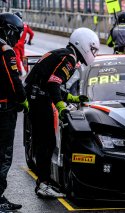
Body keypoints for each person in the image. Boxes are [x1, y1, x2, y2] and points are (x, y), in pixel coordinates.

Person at [24, 27, 100, 198]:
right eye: (92, 48)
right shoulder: (69, 58)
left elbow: (52, 84)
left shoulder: (64, 54)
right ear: (83, 44)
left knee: (44, 143)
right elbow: (53, 83)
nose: (93, 52)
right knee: (47, 142)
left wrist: (73, 99)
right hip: (39, 100)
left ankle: (43, 183)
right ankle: (43, 185)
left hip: (36, 97)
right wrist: (61, 107)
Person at [0, 12, 29, 212]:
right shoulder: (6, 50)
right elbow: (13, 80)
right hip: (4, 110)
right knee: (3, 154)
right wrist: (23, 99)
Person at [13, 11, 34, 76]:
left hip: (15, 44)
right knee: (23, 58)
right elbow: (32, 33)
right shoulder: (25, 26)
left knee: (17, 58)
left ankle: (20, 71)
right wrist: (29, 41)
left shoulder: (13, 25)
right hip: (22, 45)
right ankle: (27, 71)